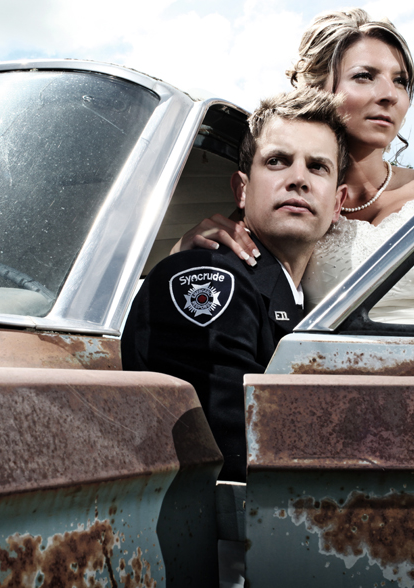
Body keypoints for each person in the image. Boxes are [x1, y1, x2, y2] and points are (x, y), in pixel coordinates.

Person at [173, 8, 414, 326]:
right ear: (318, 88)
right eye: (365, 76)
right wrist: (184, 249)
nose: (390, 95)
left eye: (400, 81)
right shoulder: (284, 202)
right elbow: (220, 281)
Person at [122, 87, 348, 482]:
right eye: (277, 161)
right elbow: (237, 461)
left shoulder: (304, 302)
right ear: (241, 190)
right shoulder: (210, 275)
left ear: (339, 204)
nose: (298, 179)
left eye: (317, 167)